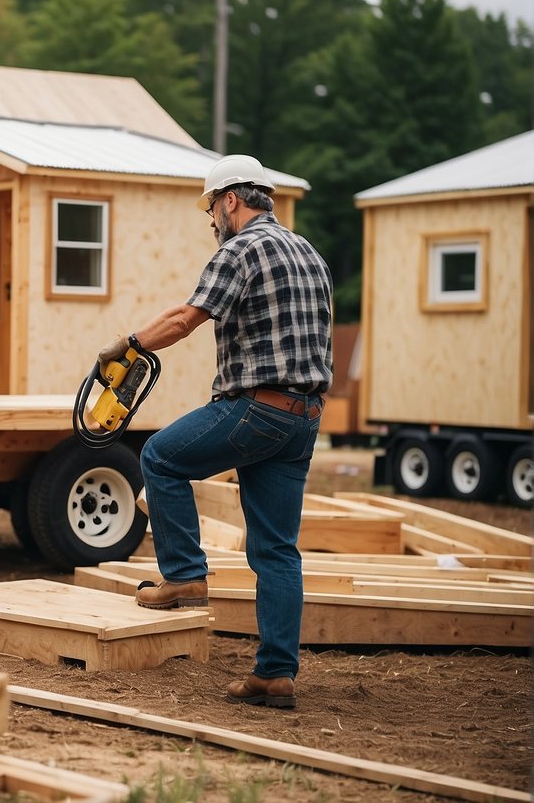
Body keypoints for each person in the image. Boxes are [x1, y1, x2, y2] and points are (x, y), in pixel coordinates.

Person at [96, 154, 332, 710]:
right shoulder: (309, 252)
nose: (211, 221)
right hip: (303, 419)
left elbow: (185, 318)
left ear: (232, 200)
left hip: (258, 408)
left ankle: (184, 576)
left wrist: (128, 345)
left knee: (159, 456)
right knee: (276, 550)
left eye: (212, 207)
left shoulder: (241, 248)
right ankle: (275, 674)